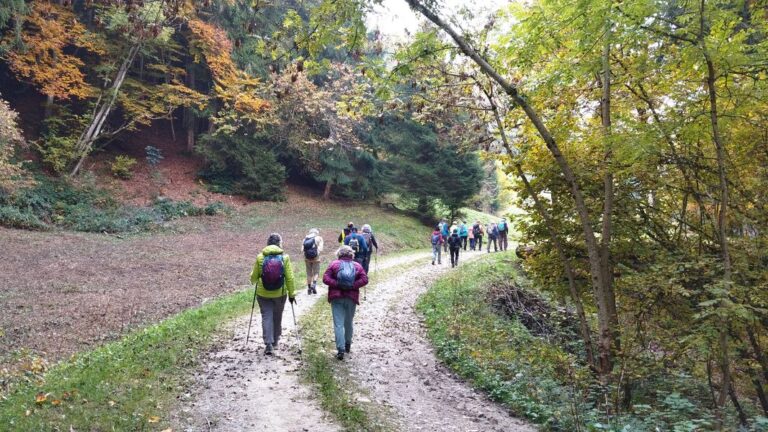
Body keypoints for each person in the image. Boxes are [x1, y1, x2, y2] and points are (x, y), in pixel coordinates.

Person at [249, 233, 296, 355]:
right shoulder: (284, 258)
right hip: (279, 294)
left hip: (262, 293)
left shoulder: (260, 257)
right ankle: (275, 340)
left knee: (266, 316)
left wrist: (253, 280)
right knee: (277, 316)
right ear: (279, 243)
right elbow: (290, 278)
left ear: (267, 243)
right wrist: (292, 294)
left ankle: (268, 343)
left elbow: (254, 277)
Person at [323, 246, 368, 360]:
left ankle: (340, 349)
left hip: (336, 297)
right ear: (351, 254)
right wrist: (352, 285)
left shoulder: (334, 264)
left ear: (339, 254)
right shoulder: (357, 265)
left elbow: (325, 278)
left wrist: (337, 284)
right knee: (348, 322)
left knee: (338, 324)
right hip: (351, 297)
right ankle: (348, 344)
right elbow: (365, 279)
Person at [301, 228, 324, 295]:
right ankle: (314, 285)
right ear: (317, 232)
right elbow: (321, 249)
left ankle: (309, 288)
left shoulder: (305, 239)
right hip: (316, 258)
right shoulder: (319, 238)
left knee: (309, 273)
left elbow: (302, 249)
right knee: (316, 272)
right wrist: (316, 253)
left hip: (307, 258)